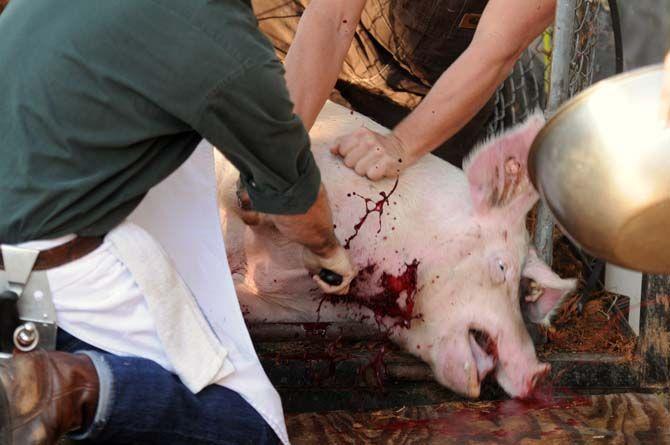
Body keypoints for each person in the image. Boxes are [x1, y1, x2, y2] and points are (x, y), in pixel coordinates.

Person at [0, 1, 356, 444]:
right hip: (53, 270)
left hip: (17, 242)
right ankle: (70, 385)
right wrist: (326, 249)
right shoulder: (217, 39)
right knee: (252, 433)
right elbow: (296, 207)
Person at [253, 0, 557, 173]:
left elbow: (494, 53)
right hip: (340, 28)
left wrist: (400, 146)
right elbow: (333, 17)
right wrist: (280, 145)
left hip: (430, 90)